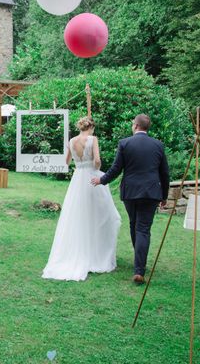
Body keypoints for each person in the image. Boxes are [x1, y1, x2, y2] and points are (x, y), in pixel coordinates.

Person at [91, 114, 170, 285]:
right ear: (146, 127)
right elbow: (165, 173)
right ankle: (139, 268)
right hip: (151, 193)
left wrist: (101, 180)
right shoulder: (158, 145)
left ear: (135, 126)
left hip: (131, 192)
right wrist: (164, 195)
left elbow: (116, 169)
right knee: (143, 228)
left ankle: (139, 266)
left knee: (135, 224)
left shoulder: (125, 143)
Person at [43, 117, 121, 282]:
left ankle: (78, 251)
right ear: (91, 127)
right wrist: (96, 168)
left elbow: (66, 161)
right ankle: (95, 253)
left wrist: (78, 163)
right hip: (91, 178)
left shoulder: (71, 140)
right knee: (100, 214)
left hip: (77, 179)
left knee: (77, 214)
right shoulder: (93, 139)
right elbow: (98, 161)